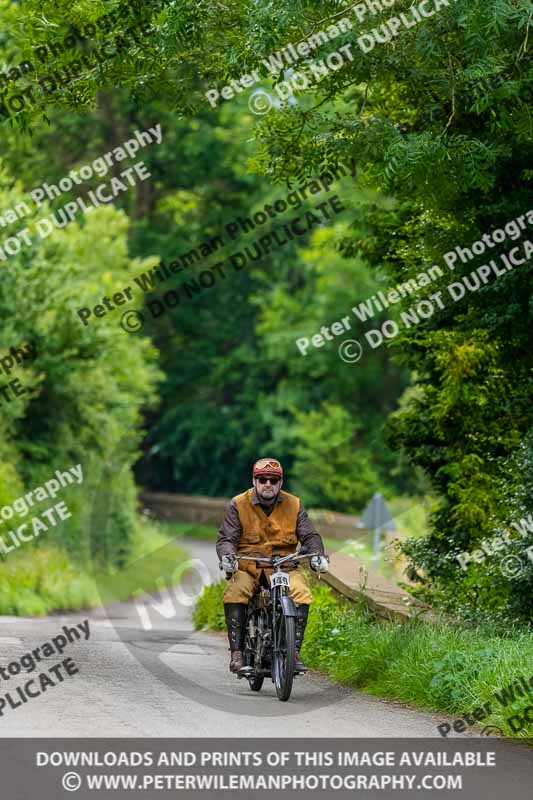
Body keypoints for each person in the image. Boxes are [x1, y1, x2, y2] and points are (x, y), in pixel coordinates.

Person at [216, 457, 329, 674]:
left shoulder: (294, 504)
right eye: (262, 479)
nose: (268, 484)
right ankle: (237, 654)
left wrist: (317, 556)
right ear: (254, 480)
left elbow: (310, 535)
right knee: (235, 591)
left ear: (280, 483)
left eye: (273, 480)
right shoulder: (238, 504)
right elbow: (227, 539)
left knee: (301, 592)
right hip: (248, 566)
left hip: (284, 566)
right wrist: (229, 557)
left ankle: (294, 652)